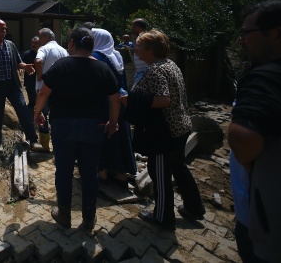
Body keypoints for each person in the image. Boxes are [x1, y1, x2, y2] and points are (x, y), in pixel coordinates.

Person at [34, 27, 120, 230]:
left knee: (63, 171)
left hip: (63, 125)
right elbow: (115, 99)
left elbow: (44, 92)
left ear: (72, 43)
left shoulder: (61, 65)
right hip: (94, 127)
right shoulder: (103, 68)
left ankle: (64, 215)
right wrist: (113, 121)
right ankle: (89, 218)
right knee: (89, 172)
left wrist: (37, 113)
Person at [124, 29, 204, 230]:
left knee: (159, 174)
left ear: (150, 50)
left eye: (139, 46)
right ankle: (194, 208)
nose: (136, 49)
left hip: (164, 133)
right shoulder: (170, 65)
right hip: (181, 126)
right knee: (179, 167)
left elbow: (163, 100)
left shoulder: (156, 70)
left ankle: (163, 217)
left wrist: (132, 100)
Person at [228, 0, 281, 262]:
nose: (240, 41)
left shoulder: (264, 77)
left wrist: (254, 170)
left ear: (276, 33)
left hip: (264, 219)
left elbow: (242, 137)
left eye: (246, 33)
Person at [0, 18, 42, 152]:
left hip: (12, 84)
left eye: (5, 29)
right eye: (2, 29)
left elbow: (17, 62)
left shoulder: (10, 45)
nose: (5, 31)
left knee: (23, 110)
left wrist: (25, 66)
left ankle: (33, 140)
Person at [91, 28, 137, 183]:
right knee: (120, 135)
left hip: (104, 102)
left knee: (104, 134)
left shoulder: (96, 56)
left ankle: (102, 170)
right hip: (120, 99)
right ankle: (120, 171)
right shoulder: (116, 55)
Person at [34, 28, 68, 151]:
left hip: (44, 88)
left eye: (40, 37)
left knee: (41, 116)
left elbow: (38, 61)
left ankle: (45, 145)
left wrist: (39, 75)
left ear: (47, 38)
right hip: (61, 90)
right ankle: (58, 144)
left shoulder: (44, 49)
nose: (39, 40)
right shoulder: (64, 51)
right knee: (57, 116)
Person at [21, 36, 41, 118]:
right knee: (32, 101)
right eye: (32, 43)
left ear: (40, 44)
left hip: (40, 81)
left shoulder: (42, 54)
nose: (33, 45)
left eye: (36, 43)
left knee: (40, 100)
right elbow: (21, 64)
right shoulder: (27, 54)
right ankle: (30, 117)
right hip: (30, 81)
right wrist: (22, 69)